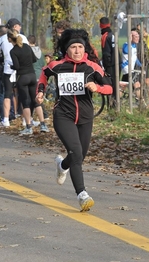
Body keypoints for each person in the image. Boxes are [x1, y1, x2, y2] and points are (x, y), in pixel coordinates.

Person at [35, 29, 113, 211]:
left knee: (79, 156)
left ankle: (62, 165)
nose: (77, 51)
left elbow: (110, 88)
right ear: (67, 49)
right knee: (76, 153)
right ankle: (82, 195)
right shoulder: (58, 65)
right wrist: (40, 91)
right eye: (73, 47)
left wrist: (97, 87)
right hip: (63, 115)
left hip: (86, 116)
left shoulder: (92, 67)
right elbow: (44, 74)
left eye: (80, 47)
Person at [8, 30, 49, 135]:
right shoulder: (27, 47)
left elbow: (16, 66)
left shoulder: (13, 51)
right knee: (36, 101)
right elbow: (34, 60)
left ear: (9, 39)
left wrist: (11, 65)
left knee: (25, 102)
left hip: (22, 77)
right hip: (32, 75)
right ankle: (43, 124)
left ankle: (28, 126)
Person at [0, 18, 28, 128]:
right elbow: (28, 52)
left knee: (7, 95)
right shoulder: (22, 38)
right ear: (15, 27)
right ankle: (25, 119)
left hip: (7, 70)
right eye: (19, 25)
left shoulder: (2, 39)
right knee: (23, 94)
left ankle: (5, 120)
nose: (20, 27)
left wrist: (3, 61)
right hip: (20, 70)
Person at [99, 17, 120, 107]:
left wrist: (105, 66)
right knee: (115, 85)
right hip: (117, 63)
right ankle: (116, 105)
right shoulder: (113, 35)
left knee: (110, 85)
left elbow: (106, 53)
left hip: (110, 65)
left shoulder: (105, 36)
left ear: (100, 26)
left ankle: (112, 106)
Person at [28, 34, 49, 120]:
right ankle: (31, 115)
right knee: (35, 96)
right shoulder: (40, 51)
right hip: (40, 75)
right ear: (35, 42)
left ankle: (44, 115)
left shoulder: (28, 51)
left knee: (35, 97)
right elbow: (42, 64)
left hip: (31, 75)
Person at [121, 28, 142, 99]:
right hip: (127, 68)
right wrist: (129, 41)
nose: (137, 38)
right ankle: (141, 102)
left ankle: (115, 101)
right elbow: (126, 50)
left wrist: (141, 65)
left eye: (138, 36)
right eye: (135, 37)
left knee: (123, 86)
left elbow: (134, 58)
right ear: (131, 37)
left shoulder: (134, 46)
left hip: (130, 69)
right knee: (137, 84)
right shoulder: (126, 45)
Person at [136, 25, 149, 104]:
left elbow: (147, 49)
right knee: (141, 80)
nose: (138, 32)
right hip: (141, 60)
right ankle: (142, 97)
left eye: (140, 30)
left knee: (146, 80)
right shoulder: (141, 39)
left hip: (146, 60)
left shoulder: (148, 38)